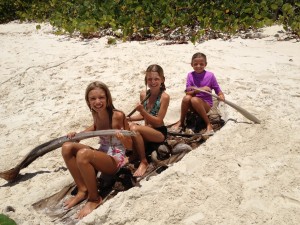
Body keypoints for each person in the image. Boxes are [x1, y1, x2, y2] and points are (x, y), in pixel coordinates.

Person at [61, 81, 132, 219]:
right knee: (67, 147)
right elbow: (95, 127)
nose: (97, 102)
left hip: (116, 157)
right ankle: (83, 189)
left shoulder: (118, 115)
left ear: (108, 98)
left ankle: (94, 198)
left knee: (83, 154)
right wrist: (79, 135)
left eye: (101, 98)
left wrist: (123, 138)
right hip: (103, 152)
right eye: (93, 99)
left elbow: (129, 146)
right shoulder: (96, 113)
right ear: (88, 101)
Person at [128, 64, 170, 177]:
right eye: (149, 79)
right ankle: (136, 153)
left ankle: (143, 161)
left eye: (156, 79)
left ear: (162, 80)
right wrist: (129, 118)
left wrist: (143, 111)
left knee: (134, 128)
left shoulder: (164, 97)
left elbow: (158, 121)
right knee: (130, 125)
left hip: (159, 133)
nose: (152, 82)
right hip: (147, 130)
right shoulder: (144, 94)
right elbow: (143, 116)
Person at [172, 52, 225, 135]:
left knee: (194, 100)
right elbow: (188, 92)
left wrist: (221, 95)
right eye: (195, 64)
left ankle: (208, 124)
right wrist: (199, 90)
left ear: (205, 64)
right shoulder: (190, 75)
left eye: (201, 64)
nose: (198, 66)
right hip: (192, 104)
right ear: (191, 64)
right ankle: (181, 122)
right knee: (187, 98)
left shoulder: (210, 75)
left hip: (205, 104)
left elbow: (218, 89)